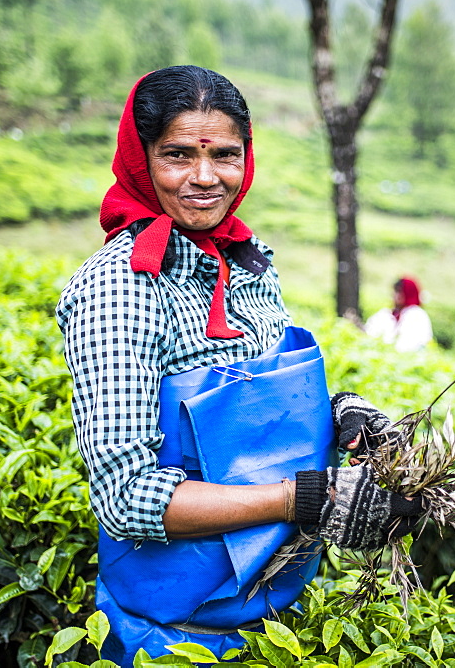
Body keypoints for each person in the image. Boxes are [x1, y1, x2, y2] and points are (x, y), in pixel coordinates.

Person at [55, 66, 421, 663]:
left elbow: (250, 415)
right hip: (170, 634)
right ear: (138, 157)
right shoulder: (118, 290)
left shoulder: (250, 265)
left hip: (276, 611)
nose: (205, 177)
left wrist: (339, 419)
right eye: (177, 155)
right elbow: (125, 499)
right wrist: (302, 500)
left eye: (225, 155)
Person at [365, 276, 434, 352]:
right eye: (395, 291)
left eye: (399, 291)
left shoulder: (416, 314)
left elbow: (410, 344)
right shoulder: (388, 314)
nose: (395, 295)